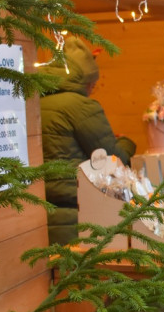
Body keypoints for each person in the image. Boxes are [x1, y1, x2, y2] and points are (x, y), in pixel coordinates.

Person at [40, 36, 136, 245]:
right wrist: (128, 144)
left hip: (42, 211)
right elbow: (113, 160)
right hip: (80, 212)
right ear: (84, 80)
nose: (93, 88)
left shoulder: (36, 102)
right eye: (93, 83)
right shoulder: (81, 106)